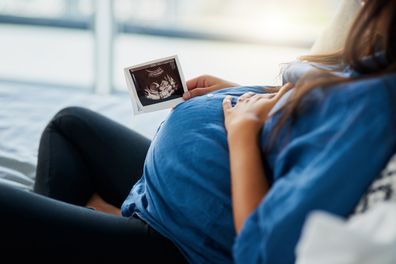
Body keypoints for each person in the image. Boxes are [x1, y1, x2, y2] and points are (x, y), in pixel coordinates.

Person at [1, 0, 395, 262]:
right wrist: (244, 92)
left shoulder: (378, 106)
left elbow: (265, 251)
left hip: (186, 240)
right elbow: (315, 120)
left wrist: (242, 133)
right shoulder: (377, 63)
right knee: (70, 126)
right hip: (182, 197)